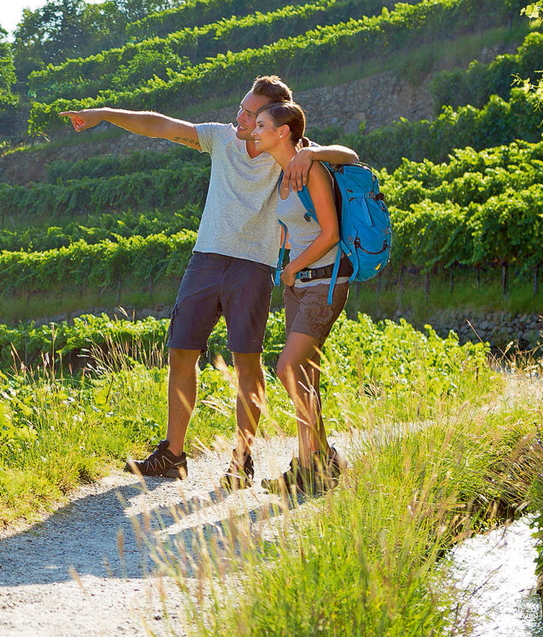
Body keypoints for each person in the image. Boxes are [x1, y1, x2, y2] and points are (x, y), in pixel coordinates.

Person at [60, 76, 359, 488]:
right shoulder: (222, 139)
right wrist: (104, 115)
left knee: (246, 363)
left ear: (271, 120)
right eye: (241, 109)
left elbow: (348, 155)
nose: (241, 118)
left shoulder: (286, 149)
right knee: (181, 351)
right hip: (205, 260)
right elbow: (160, 124)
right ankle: (173, 454)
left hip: (253, 267)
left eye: (251, 114)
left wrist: (312, 155)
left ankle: (242, 460)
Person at [250, 101, 347, 493]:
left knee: (287, 368)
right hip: (298, 286)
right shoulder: (281, 174)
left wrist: (290, 268)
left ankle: (318, 458)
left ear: (283, 131)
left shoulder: (312, 169)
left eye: (261, 124)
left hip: (324, 283)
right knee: (306, 377)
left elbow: (330, 234)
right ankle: (312, 468)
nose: (255, 130)